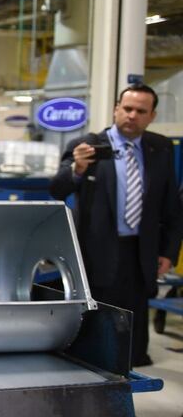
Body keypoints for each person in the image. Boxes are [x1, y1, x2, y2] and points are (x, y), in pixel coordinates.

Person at [50, 84, 182, 390]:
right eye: (127, 109)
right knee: (97, 334)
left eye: (140, 111)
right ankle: (92, 401)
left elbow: (171, 207)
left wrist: (168, 252)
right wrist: (78, 169)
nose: (132, 116)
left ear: (152, 116)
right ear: (115, 109)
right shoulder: (87, 145)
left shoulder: (160, 148)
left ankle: (123, 403)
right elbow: (57, 189)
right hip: (98, 257)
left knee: (132, 338)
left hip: (140, 257)